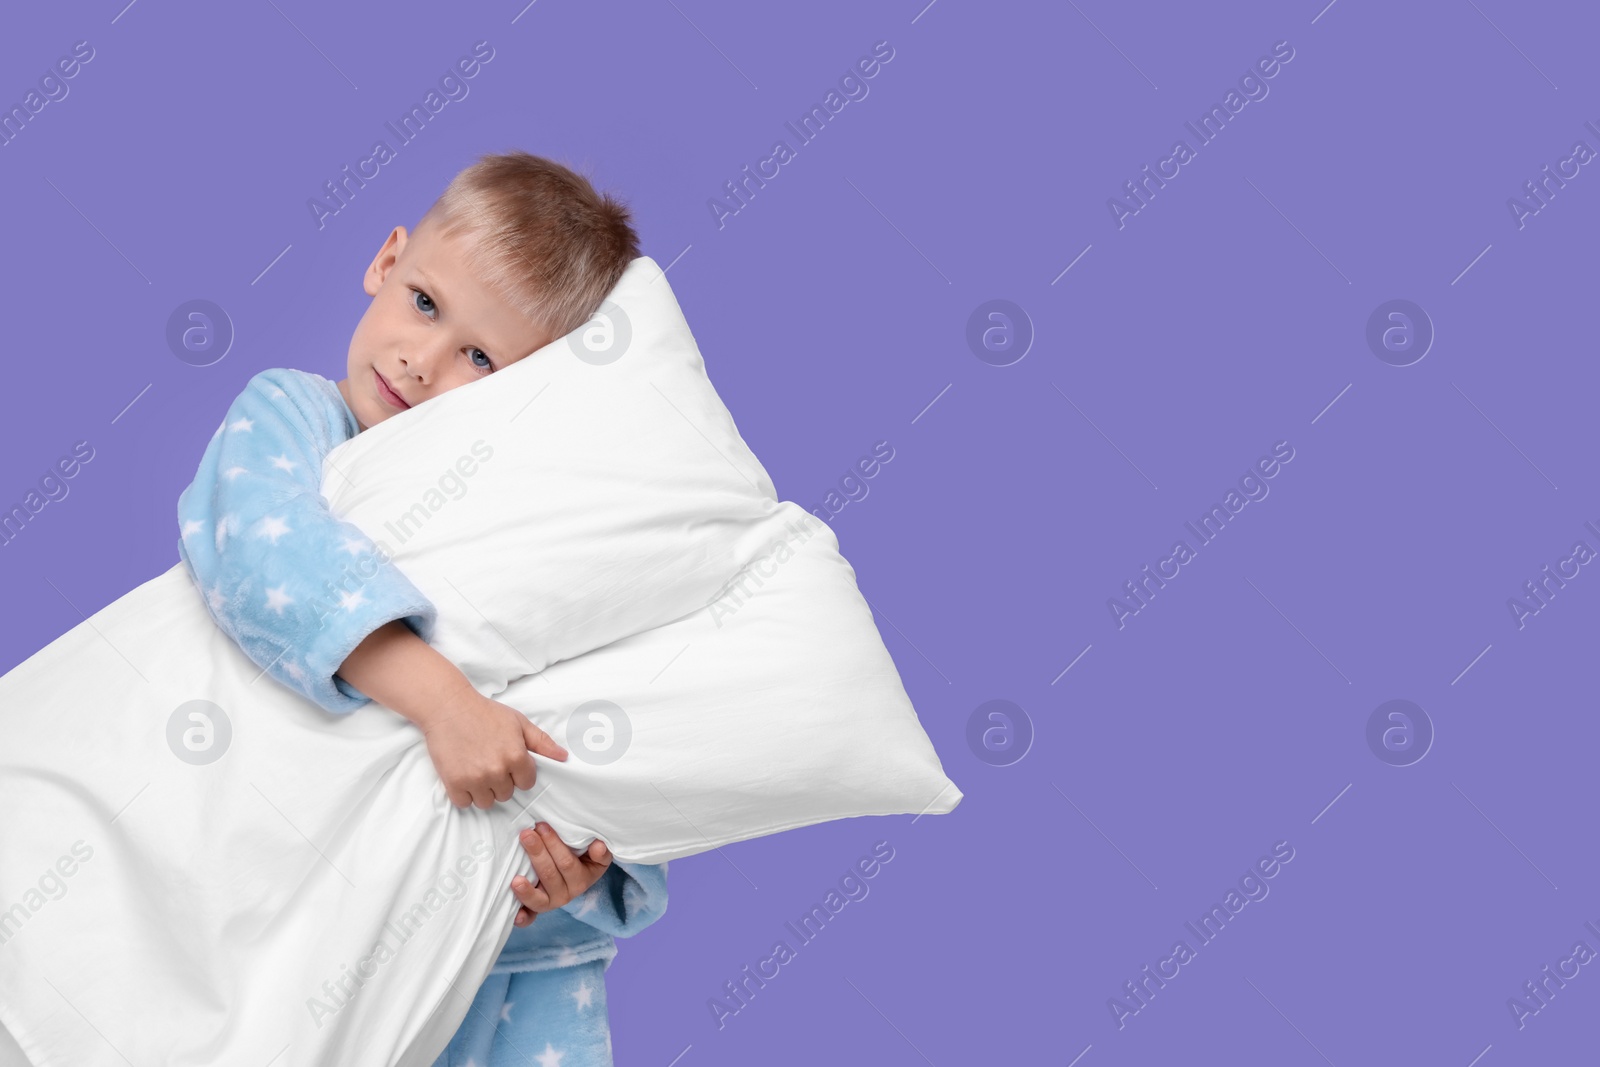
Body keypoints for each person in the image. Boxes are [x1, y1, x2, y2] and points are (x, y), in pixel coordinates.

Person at [176, 150, 667, 1066]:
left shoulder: (530, 535)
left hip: (489, 962)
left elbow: (606, 704)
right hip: (297, 911)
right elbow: (261, 542)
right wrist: (443, 701)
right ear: (387, 260)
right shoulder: (296, 421)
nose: (423, 359)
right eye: (426, 304)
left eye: (481, 357)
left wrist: (588, 874)